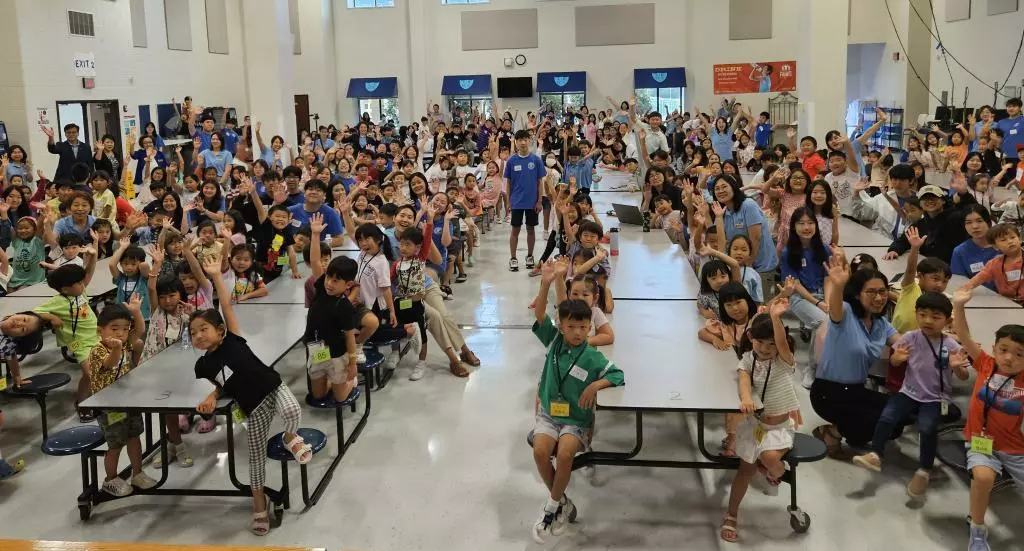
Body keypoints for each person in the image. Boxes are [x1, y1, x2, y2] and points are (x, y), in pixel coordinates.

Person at [191, 257, 311, 535]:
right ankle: (258, 500)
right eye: (193, 333)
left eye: (203, 329)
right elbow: (223, 382)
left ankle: (290, 437)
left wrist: (216, 278)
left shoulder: (232, 336)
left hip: (271, 386)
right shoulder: (203, 365)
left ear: (220, 330)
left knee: (293, 412)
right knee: (255, 457)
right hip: (251, 406)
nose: (198, 336)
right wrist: (212, 396)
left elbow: (225, 303)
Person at [530, 259, 624, 543]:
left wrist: (596, 384)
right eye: (571, 327)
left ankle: (550, 508)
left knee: (565, 454)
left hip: (576, 420)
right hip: (549, 414)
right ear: (562, 326)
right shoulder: (554, 341)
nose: (577, 333)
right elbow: (540, 314)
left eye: (583, 328)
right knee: (539, 451)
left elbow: (617, 375)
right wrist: (546, 282)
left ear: (588, 328)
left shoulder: (592, 356)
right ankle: (563, 502)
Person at [853, 292, 968, 497]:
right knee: (887, 416)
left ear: (947, 321)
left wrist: (957, 368)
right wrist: (897, 358)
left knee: (927, 427)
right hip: (909, 392)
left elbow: (964, 375)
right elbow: (896, 362)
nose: (927, 321)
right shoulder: (910, 338)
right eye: (922, 315)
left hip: (935, 398)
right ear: (916, 315)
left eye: (935, 317)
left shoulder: (950, 345)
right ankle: (875, 454)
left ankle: (924, 470)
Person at [951, 288, 1024, 551]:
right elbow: (963, 335)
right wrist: (959, 307)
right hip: (981, 441)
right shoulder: (985, 364)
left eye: (1019, 354)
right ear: (994, 349)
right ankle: (978, 529)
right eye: (1004, 349)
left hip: (1015, 448)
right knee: (982, 478)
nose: (1009, 358)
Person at [720, 301, 799, 543]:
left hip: (780, 428)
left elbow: (782, 343)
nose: (766, 348)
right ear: (752, 338)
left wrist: (775, 319)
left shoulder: (784, 361)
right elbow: (743, 381)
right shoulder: (747, 359)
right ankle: (731, 515)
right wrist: (745, 398)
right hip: (756, 426)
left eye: (772, 344)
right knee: (744, 471)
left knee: (771, 458)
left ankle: (773, 471)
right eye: (761, 342)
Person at [810, 251, 901, 458]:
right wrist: (838, 284)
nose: (879, 298)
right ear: (858, 294)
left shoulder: (881, 324)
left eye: (883, 291)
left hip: (856, 390)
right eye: (871, 292)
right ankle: (832, 432)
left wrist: (945, 344)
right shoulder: (845, 313)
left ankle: (851, 433)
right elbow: (834, 307)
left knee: (898, 417)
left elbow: (906, 343)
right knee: (876, 418)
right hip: (828, 392)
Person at [88, 297, 158, 496]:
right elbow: (110, 364)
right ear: (100, 330)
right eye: (114, 328)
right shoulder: (98, 350)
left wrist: (135, 311)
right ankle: (111, 479)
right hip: (109, 407)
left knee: (134, 436)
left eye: (125, 328)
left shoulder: (125, 343)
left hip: (128, 400)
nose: (120, 333)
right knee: (116, 443)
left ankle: (137, 473)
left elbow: (140, 331)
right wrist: (117, 348)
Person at [33, 254, 101, 422]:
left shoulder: (79, 292)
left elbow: (88, 274)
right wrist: (51, 317)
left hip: (97, 337)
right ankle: (87, 404)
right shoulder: (59, 301)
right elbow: (35, 311)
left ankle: (84, 401)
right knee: (91, 373)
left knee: (90, 375)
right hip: (80, 343)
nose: (82, 284)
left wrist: (93, 257)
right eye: (78, 283)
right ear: (65, 289)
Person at [305, 225, 360, 402]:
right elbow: (314, 261)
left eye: (336, 281)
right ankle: (333, 381)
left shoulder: (344, 306)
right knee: (318, 395)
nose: (330, 283)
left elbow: (350, 337)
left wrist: (352, 364)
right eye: (329, 277)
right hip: (317, 351)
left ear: (348, 285)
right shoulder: (322, 288)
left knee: (340, 397)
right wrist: (315, 234)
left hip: (337, 355)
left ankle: (351, 382)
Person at [890, 227, 952, 334]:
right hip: (898, 339)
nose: (940, 285)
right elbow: (910, 270)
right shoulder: (911, 289)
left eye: (944, 281)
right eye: (935, 279)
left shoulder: (944, 300)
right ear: (920, 276)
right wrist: (915, 248)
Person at [504, 130, 546, 272]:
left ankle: (529, 256)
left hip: (532, 202)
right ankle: (513, 258)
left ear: (530, 141)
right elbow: (508, 183)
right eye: (519, 139)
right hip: (516, 202)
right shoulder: (511, 161)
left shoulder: (536, 160)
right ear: (515, 142)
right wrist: (509, 202)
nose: (522, 142)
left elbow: (540, 182)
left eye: (525, 139)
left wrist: (539, 201)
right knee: (515, 230)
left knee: (530, 229)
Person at [962, 223, 1024, 303]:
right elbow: (975, 281)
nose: (1010, 241)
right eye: (1003, 240)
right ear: (995, 246)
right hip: (1006, 303)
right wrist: (963, 290)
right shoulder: (994, 264)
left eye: (1012, 237)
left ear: (1020, 239)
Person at [950, 204, 999, 289]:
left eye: (979, 221)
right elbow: (959, 282)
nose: (975, 226)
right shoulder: (960, 251)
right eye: (968, 223)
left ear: (988, 222)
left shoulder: (1004, 246)